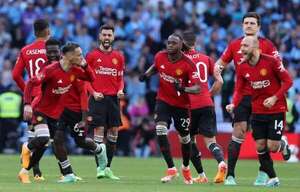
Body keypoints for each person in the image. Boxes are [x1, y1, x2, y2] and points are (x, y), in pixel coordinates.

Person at [214, 12, 283, 185]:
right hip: (243, 95)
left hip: (263, 97)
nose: (249, 25)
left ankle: (263, 174)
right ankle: (230, 175)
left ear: (259, 26)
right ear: (242, 25)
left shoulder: (268, 45)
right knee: (238, 132)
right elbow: (219, 65)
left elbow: (280, 70)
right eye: (246, 23)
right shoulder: (235, 44)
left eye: (253, 23)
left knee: (264, 142)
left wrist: (276, 96)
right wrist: (219, 76)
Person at [18, 42, 95, 184]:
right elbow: (30, 83)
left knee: (53, 143)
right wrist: (27, 104)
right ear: (68, 55)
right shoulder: (51, 70)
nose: (81, 57)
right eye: (79, 55)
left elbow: (91, 78)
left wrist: (85, 65)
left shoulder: (75, 70)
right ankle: (26, 147)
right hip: (41, 110)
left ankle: (25, 172)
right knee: (43, 139)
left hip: (56, 114)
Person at [228, 36, 292, 187]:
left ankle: (282, 144)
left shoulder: (271, 61)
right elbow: (238, 88)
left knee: (272, 146)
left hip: (276, 109)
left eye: (245, 46)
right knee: (260, 146)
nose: (241, 49)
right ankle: (273, 179)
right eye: (241, 45)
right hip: (257, 110)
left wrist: (275, 98)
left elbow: (288, 81)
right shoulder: (242, 66)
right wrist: (234, 103)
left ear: (256, 47)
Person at [139, 33, 200, 184]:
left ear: (180, 46)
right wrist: (146, 75)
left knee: (185, 138)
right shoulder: (160, 56)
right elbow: (156, 67)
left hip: (181, 105)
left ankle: (185, 167)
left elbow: (197, 88)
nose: (170, 45)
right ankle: (171, 169)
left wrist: (184, 88)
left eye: (173, 43)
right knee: (160, 129)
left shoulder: (188, 64)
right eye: (168, 42)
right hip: (163, 100)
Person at [182, 30, 227, 183]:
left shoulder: (182, 60)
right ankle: (221, 163)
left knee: (189, 140)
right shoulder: (206, 58)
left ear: (183, 43)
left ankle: (202, 175)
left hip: (190, 106)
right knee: (210, 142)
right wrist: (209, 94)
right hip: (207, 103)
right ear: (195, 42)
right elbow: (220, 81)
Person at [12, 18, 50, 181]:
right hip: (47, 97)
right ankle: (64, 172)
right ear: (47, 31)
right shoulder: (52, 49)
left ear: (34, 33)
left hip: (31, 96)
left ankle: (35, 172)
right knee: (45, 137)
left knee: (34, 134)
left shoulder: (26, 50)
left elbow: (15, 75)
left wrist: (27, 89)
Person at [86, 24, 125, 180]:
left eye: (109, 35)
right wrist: (93, 93)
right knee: (99, 133)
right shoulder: (91, 56)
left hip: (113, 100)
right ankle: (99, 169)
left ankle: (108, 167)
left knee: (114, 133)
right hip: (98, 99)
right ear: (100, 36)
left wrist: (121, 89)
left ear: (113, 37)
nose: (107, 38)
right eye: (104, 35)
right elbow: (85, 80)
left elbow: (120, 78)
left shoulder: (119, 57)